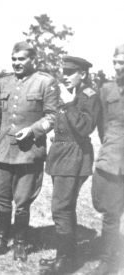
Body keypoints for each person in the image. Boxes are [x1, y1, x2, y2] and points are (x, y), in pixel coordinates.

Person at [0, 41, 58, 262]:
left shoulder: (45, 82)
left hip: (29, 152)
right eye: (14, 59)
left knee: (23, 201)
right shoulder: (3, 83)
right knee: (2, 198)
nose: (16, 63)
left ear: (33, 60)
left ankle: (20, 244)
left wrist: (33, 131)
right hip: (5, 152)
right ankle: (0, 241)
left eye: (21, 59)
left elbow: (52, 116)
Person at [38, 56, 101, 274]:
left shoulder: (89, 96)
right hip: (61, 154)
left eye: (70, 72)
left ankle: (64, 261)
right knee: (66, 207)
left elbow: (84, 127)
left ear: (82, 74)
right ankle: (66, 257)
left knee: (61, 208)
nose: (64, 76)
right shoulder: (69, 94)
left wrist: (67, 102)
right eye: (63, 71)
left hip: (74, 157)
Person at [90, 44, 124, 275]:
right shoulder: (105, 90)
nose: (118, 67)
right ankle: (107, 262)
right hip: (113, 160)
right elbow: (102, 127)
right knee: (110, 213)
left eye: (123, 63)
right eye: (116, 62)